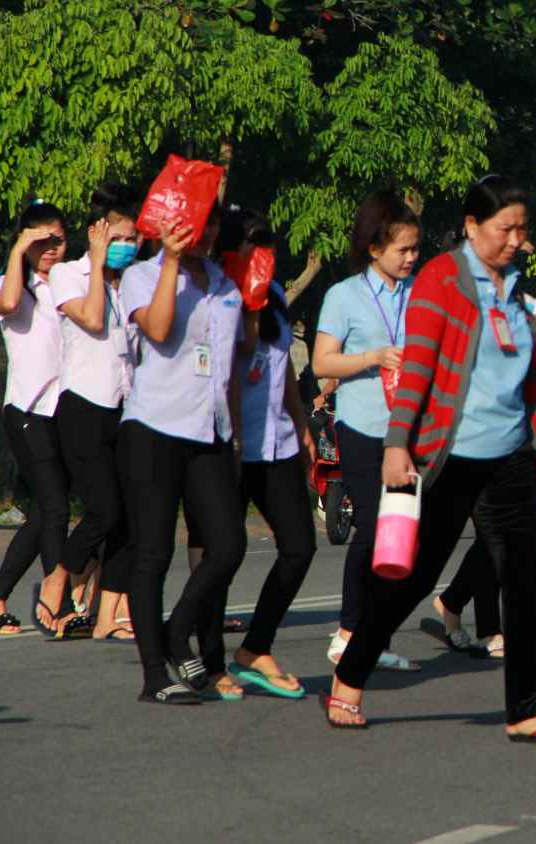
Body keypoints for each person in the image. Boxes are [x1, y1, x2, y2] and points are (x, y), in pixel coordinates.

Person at [326, 175, 536, 747]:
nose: (515, 240)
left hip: (511, 457)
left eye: (521, 230)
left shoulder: (514, 288)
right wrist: (395, 445)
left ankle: (525, 711)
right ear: (470, 226)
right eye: (503, 229)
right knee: (411, 577)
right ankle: (350, 675)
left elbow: (529, 372)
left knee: (528, 584)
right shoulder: (440, 281)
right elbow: (417, 369)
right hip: (448, 457)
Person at [120, 205, 247, 705]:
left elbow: (229, 365)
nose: (206, 232)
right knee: (153, 552)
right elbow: (156, 328)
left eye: (212, 223)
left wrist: (233, 435)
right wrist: (171, 261)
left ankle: (178, 630)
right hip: (153, 426)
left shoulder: (225, 285)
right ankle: (155, 674)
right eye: (196, 221)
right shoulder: (141, 275)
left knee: (229, 545)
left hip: (208, 432)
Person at [206, 207, 319, 700]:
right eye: (251, 245)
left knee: (300, 546)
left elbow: (282, 370)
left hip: (276, 441)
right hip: (229, 443)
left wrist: (301, 425)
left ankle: (256, 645)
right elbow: (240, 353)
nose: (261, 254)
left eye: (266, 244)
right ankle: (209, 662)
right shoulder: (216, 292)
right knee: (223, 556)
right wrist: (246, 299)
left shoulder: (272, 294)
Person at [313, 191, 421, 672]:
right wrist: (373, 358)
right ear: (374, 248)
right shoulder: (344, 296)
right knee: (373, 531)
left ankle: (376, 636)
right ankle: (348, 632)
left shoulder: (420, 294)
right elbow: (321, 363)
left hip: (410, 429)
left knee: (402, 538)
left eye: (415, 248)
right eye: (402, 249)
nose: (411, 258)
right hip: (361, 427)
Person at [0, 202, 87, 639]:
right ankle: (55, 606)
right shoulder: (13, 283)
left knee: (46, 513)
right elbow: (4, 305)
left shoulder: (66, 286)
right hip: (26, 410)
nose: (50, 248)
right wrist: (21, 249)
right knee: (57, 508)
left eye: (57, 240)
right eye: (40, 239)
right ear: (24, 240)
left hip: (62, 414)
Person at [49, 185, 142, 642]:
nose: (128, 246)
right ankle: (60, 577)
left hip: (123, 409)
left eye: (134, 238)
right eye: (119, 237)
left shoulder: (135, 286)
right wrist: (100, 266)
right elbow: (90, 319)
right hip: (83, 407)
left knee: (129, 517)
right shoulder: (70, 274)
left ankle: (108, 616)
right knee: (104, 509)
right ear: (97, 234)